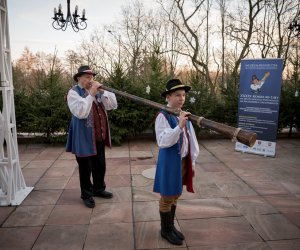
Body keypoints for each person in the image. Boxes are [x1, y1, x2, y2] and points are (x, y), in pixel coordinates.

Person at [153, 79, 199, 245]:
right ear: (168, 97)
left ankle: (171, 227)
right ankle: (165, 230)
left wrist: (191, 162)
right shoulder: (162, 116)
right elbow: (163, 141)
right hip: (170, 163)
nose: (181, 98)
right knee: (167, 197)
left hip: (182, 162)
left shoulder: (182, 114)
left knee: (176, 194)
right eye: (177, 95)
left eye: (183, 95)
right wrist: (179, 126)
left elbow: (190, 140)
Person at [66, 65, 117, 208]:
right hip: (83, 138)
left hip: (98, 135)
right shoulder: (73, 93)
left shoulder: (97, 92)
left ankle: (99, 189)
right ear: (79, 78)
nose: (90, 80)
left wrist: (103, 92)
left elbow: (112, 105)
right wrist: (91, 94)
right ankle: (87, 195)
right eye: (87, 77)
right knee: (85, 168)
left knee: (100, 165)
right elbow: (81, 112)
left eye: (92, 77)